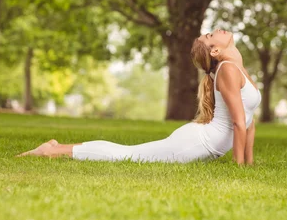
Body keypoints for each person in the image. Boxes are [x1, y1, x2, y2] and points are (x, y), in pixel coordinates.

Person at [16, 29, 262, 165]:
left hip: (202, 142)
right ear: (215, 50)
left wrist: (248, 164)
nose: (215, 31)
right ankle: (50, 151)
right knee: (128, 155)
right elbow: (238, 122)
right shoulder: (227, 69)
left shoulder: (236, 68)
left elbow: (249, 122)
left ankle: (56, 148)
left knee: (130, 152)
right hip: (196, 144)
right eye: (209, 35)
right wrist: (238, 167)